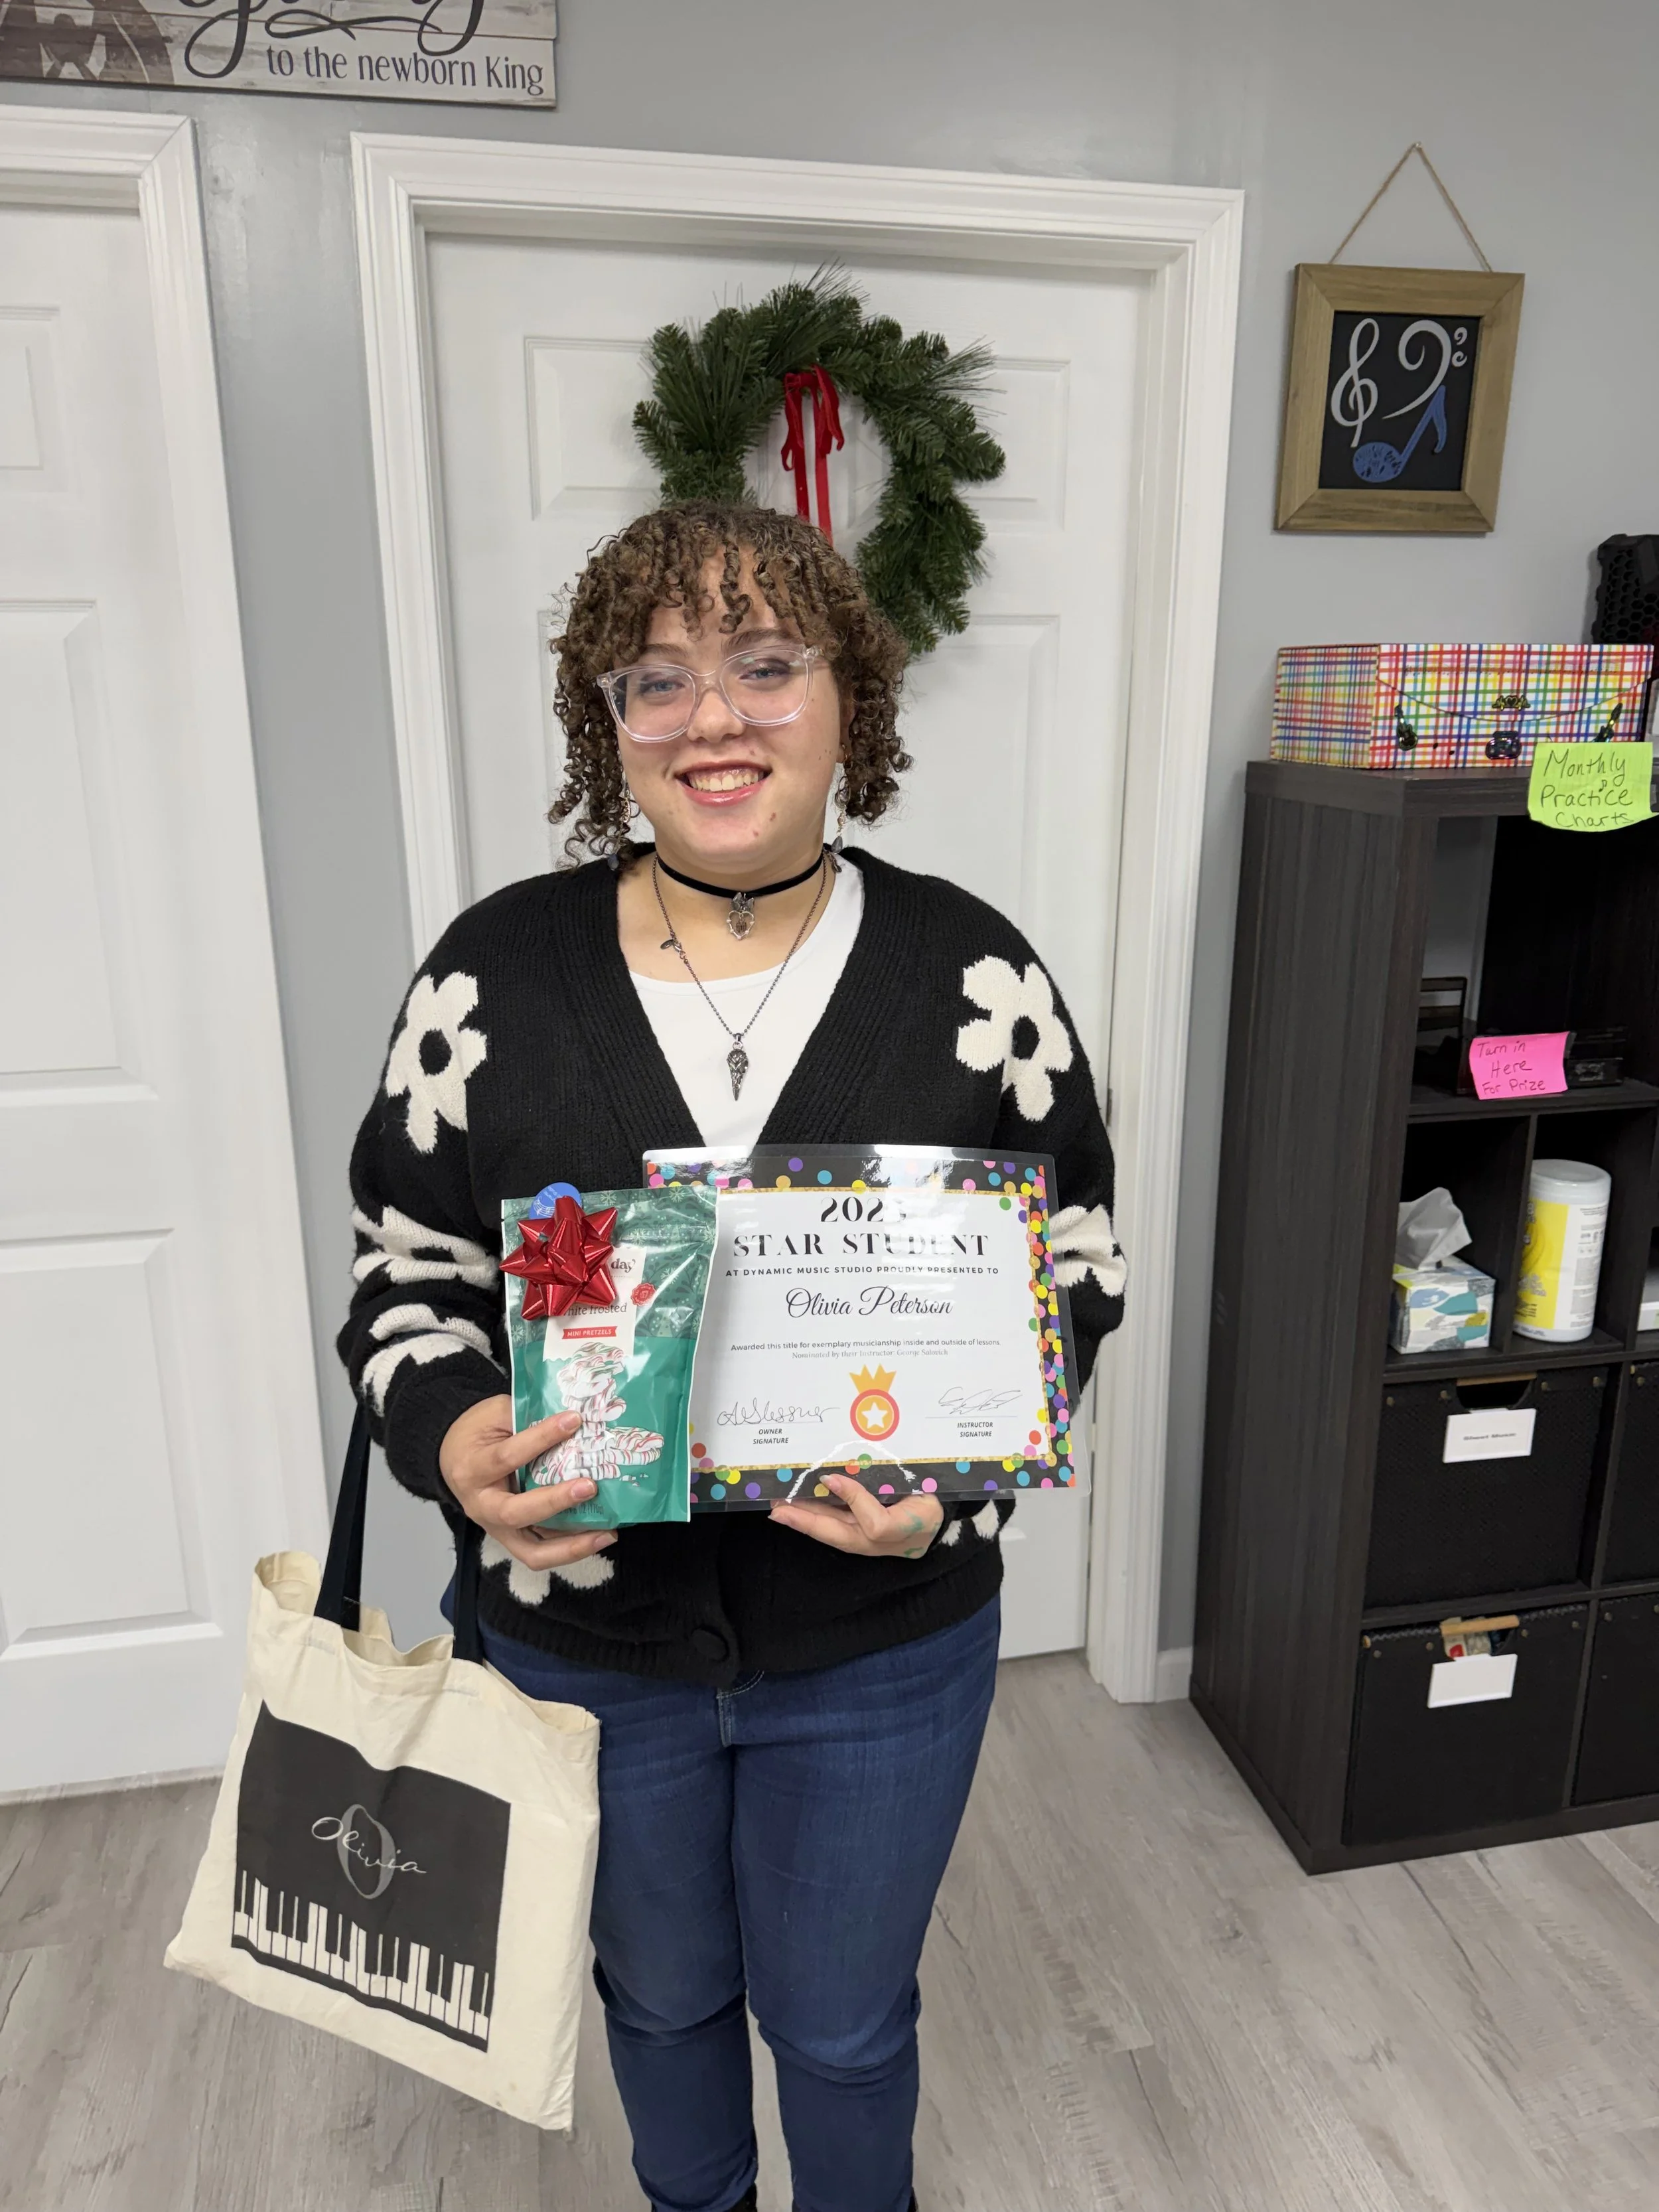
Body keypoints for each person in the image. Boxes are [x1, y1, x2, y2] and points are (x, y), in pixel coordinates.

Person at [338, 502, 1125, 2212]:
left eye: (768, 666)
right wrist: (465, 1427)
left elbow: (1072, 1272)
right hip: (585, 1641)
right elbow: (410, 1269)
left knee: (842, 2030)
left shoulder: (973, 979)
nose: (714, 718)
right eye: (659, 680)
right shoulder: (494, 978)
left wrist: (955, 1498)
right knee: (663, 1999)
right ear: (603, 719)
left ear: (854, 696)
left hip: (879, 1646)